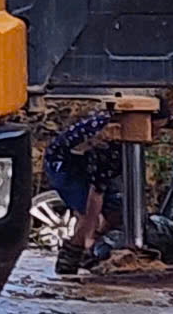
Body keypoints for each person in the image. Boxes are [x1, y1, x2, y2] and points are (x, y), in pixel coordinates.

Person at [45, 111, 124, 276]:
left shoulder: (142, 120)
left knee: (116, 209)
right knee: (85, 216)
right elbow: (96, 194)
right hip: (64, 163)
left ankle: (92, 251)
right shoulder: (107, 147)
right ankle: (70, 260)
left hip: (84, 159)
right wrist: (88, 235)